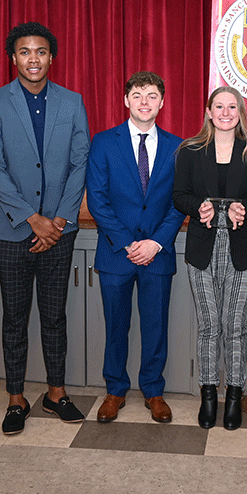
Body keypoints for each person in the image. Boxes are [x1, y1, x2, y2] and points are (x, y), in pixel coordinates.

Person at [0, 22, 90, 435]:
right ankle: (15, 397)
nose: (33, 59)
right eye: (24, 52)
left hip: (60, 232)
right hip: (13, 233)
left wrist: (58, 219)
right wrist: (32, 218)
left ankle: (56, 393)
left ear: (51, 57)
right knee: (14, 318)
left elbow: (81, 161)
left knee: (54, 316)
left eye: (40, 51)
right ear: (13, 58)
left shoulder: (72, 102)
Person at [86, 71, 185, 423]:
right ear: (126, 100)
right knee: (116, 326)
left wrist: (156, 242)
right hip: (116, 254)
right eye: (138, 95)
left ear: (162, 102)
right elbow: (97, 200)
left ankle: (153, 391)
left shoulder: (178, 146)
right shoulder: (103, 142)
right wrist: (129, 243)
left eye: (152, 95)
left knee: (155, 326)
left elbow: (180, 202)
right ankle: (115, 390)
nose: (145, 102)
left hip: (158, 255)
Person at [172, 86, 247, 430]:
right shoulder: (190, 150)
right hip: (202, 248)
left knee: (235, 326)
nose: (226, 112)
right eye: (219, 106)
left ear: (241, 112)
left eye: (232, 107)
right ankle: (208, 395)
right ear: (209, 111)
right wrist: (195, 206)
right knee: (209, 326)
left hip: (243, 250)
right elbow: (179, 195)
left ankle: (233, 395)